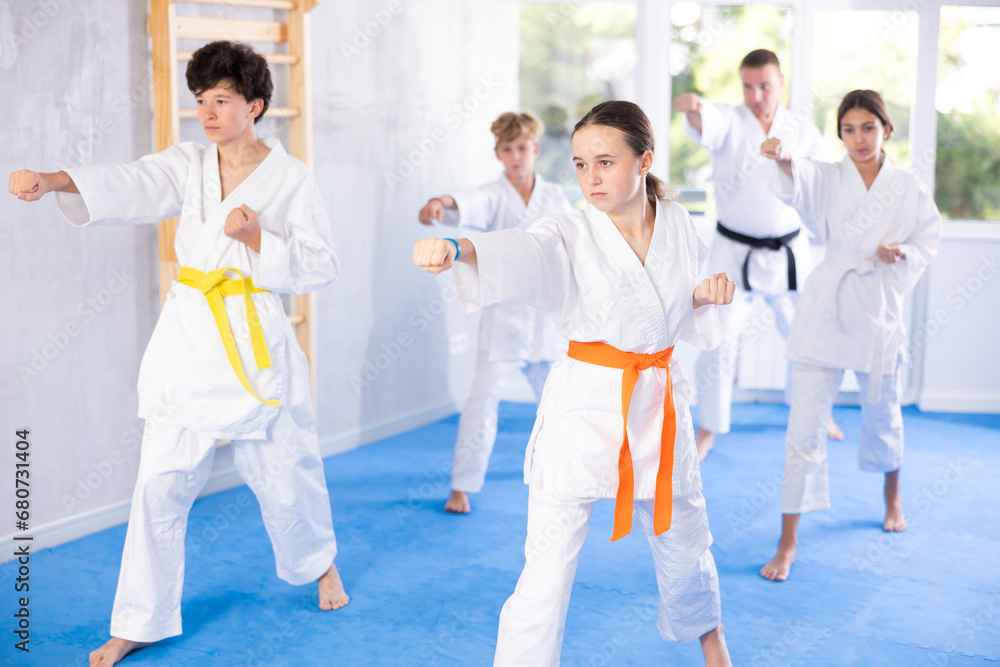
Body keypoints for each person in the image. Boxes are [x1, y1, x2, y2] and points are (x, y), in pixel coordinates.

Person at [9, 41, 349, 666]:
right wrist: (56, 179)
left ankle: (318, 564)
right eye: (200, 100)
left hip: (253, 345)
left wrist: (255, 236)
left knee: (285, 472)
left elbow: (322, 264)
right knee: (158, 485)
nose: (208, 112)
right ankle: (141, 619)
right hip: (191, 339)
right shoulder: (188, 164)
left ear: (255, 105)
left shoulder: (292, 177)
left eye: (222, 100)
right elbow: (130, 182)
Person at [414, 101, 734, 666]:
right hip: (583, 408)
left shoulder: (679, 223)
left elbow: (678, 306)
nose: (591, 178)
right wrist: (460, 248)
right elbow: (523, 249)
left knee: (686, 533)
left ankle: (714, 647)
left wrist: (703, 297)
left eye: (605, 162)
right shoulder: (567, 229)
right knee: (548, 559)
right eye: (582, 165)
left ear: (645, 160)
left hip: (657, 402)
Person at [758, 89, 941, 582]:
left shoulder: (907, 185)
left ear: (887, 129)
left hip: (877, 303)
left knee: (883, 408)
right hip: (827, 305)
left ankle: (892, 494)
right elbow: (798, 175)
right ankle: (788, 539)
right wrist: (780, 155)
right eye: (848, 129)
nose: (858, 139)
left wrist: (901, 253)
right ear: (840, 133)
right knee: (803, 428)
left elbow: (928, 239)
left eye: (868, 127)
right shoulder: (830, 175)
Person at [674, 48, 842, 460]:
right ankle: (710, 427)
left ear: (781, 82)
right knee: (719, 340)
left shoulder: (801, 128)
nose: (756, 95)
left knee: (806, 337)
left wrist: (789, 158)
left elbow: (822, 177)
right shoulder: (730, 120)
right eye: (748, 86)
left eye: (764, 85)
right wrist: (693, 108)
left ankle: (818, 414)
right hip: (734, 251)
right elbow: (704, 123)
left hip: (788, 249)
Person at [417, 112, 573, 514]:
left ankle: (567, 475)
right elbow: (469, 202)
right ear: (498, 153)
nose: (516, 156)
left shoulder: (554, 197)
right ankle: (461, 486)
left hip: (545, 316)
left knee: (560, 403)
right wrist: (439, 204)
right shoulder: (494, 194)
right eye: (508, 149)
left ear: (535, 149)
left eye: (523, 147)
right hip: (503, 317)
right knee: (481, 402)